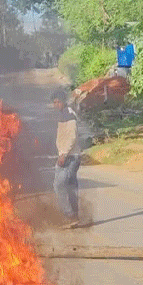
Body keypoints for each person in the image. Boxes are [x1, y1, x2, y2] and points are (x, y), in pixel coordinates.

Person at [51, 89, 83, 229]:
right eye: (54, 102)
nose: (56, 104)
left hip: (70, 156)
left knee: (59, 185)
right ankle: (74, 217)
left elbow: (72, 137)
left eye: (58, 102)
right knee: (70, 187)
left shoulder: (69, 114)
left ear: (63, 101)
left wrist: (63, 154)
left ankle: (69, 215)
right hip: (67, 155)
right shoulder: (62, 115)